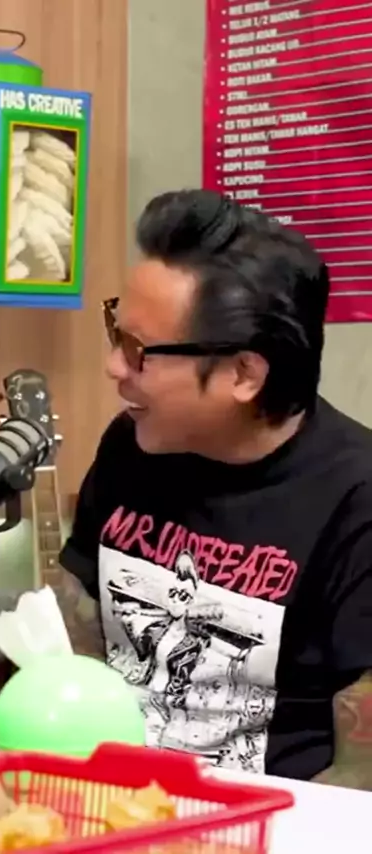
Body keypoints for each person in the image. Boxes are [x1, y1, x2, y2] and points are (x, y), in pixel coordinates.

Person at [59, 189, 372, 787]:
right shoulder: (131, 447)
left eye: (139, 350)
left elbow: (361, 776)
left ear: (243, 374)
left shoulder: (357, 499)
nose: (114, 367)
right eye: (115, 330)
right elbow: (80, 611)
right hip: (109, 801)